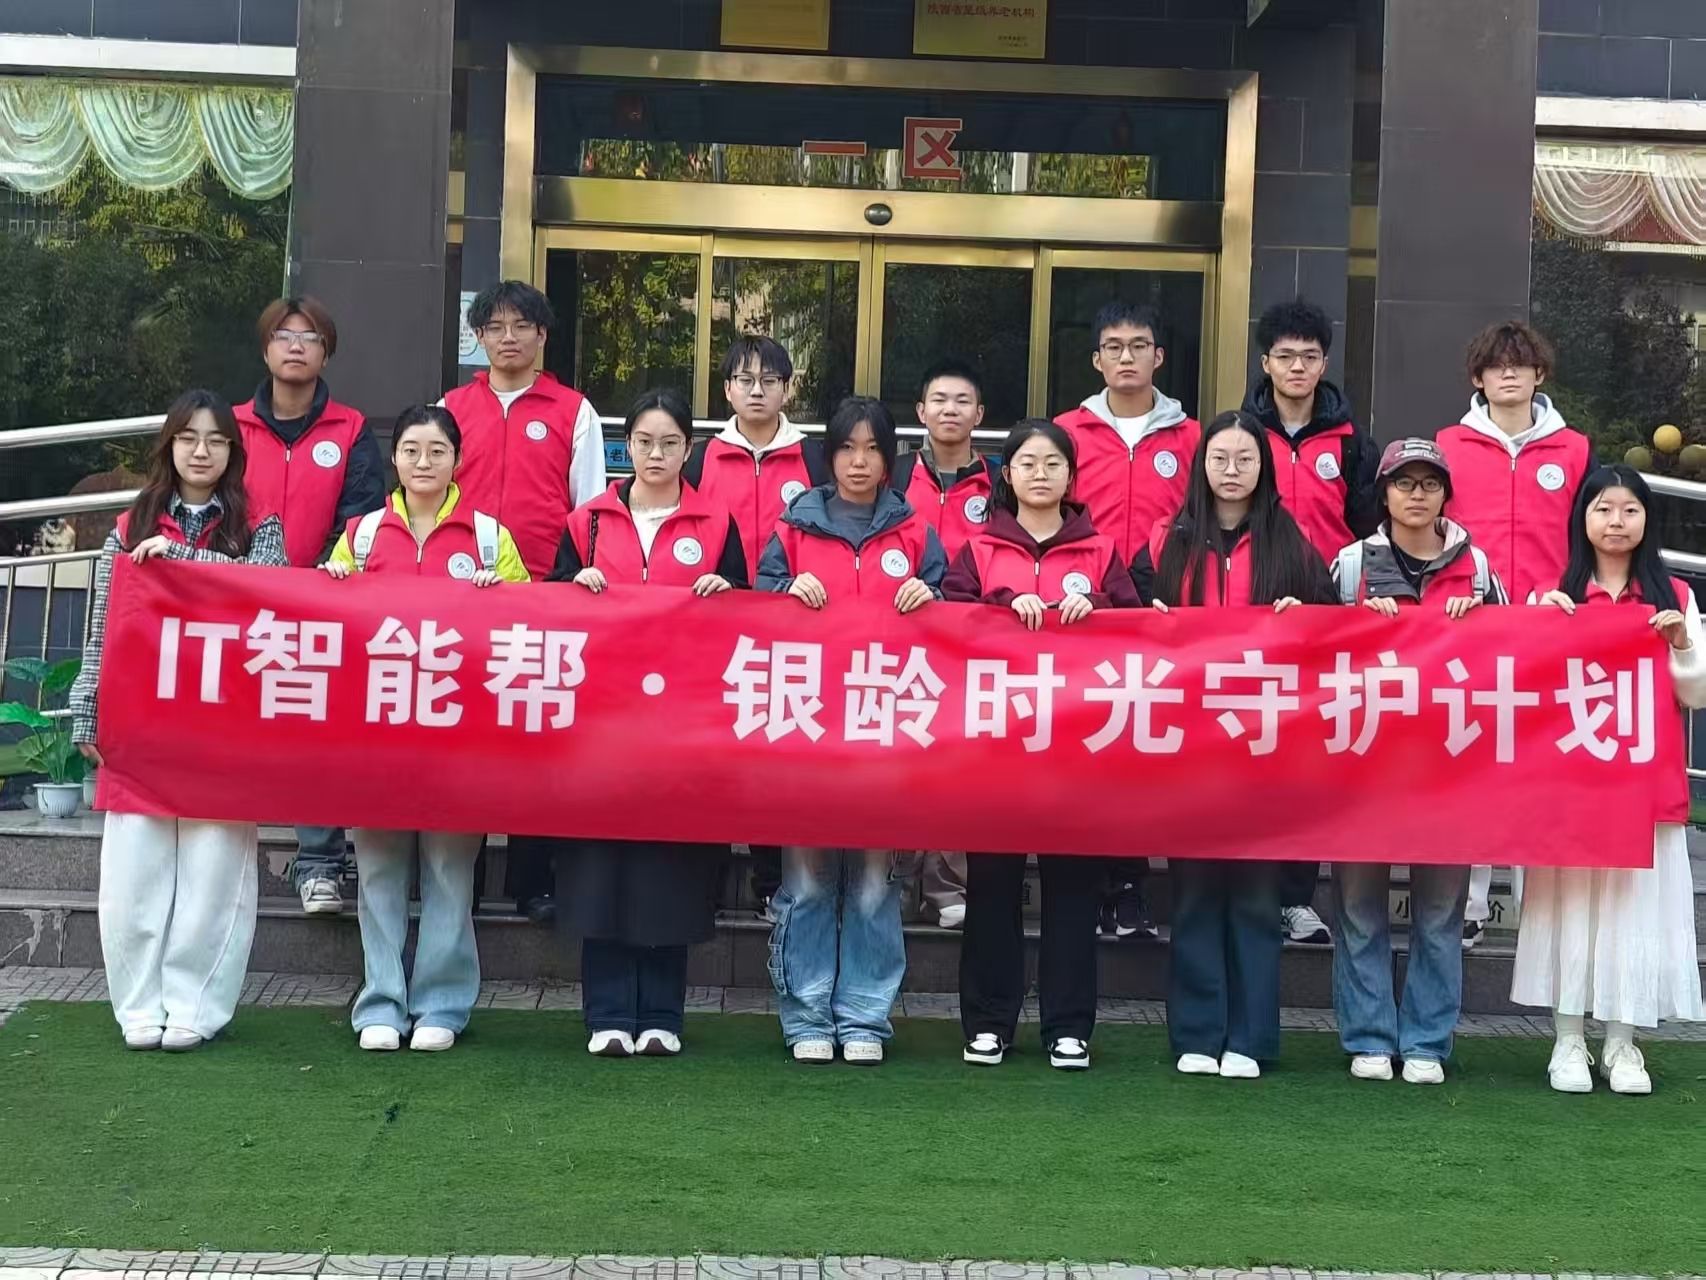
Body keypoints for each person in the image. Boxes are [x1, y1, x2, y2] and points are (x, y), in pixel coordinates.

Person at [69, 389, 288, 1051]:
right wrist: (87, 707)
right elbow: (103, 622)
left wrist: (186, 562)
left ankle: (196, 1007)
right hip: (142, 721)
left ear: (233, 452)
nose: (201, 451)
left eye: (216, 440)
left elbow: (269, 595)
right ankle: (139, 1007)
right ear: (168, 446)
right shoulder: (131, 523)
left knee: (216, 872)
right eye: (189, 438)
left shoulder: (259, 524)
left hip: (225, 722)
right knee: (133, 872)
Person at [1131, 409, 1337, 1079]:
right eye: (1219, 458)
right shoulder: (1166, 540)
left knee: (1254, 894)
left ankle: (1249, 1037)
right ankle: (1197, 1032)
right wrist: (1146, 618)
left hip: (1263, 747)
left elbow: (1334, 627)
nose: (1231, 470)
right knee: (1193, 890)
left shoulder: (1290, 542)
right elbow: (1121, 623)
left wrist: (1305, 618)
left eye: (1245, 459)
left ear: (1263, 469)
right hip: (1187, 747)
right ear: (1201, 465)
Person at [321, 405, 529, 1052]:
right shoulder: (360, 535)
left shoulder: (490, 538)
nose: (423, 462)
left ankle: (442, 1003)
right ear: (395, 458)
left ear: (457, 460)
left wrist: (503, 594)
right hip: (377, 735)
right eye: (411, 450)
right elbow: (328, 623)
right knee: (379, 872)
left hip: (460, 741)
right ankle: (381, 1003)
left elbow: (531, 627)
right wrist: (333, 582)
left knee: (449, 873)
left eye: (437, 451)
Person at [547, 390, 747, 1056]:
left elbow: (747, 620)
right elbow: (549, 611)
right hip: (602, 724)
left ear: (688, 449)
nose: (656, 454)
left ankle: (662, 1015)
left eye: (669, 443)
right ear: (625, 446)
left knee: (670, 869)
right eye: (643, 442)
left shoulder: (716, 523)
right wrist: (574, 588)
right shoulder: (587, 522)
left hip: (681, 726)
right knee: (602, 867)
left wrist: (727, 595)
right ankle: (607, 1014)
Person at [756, 396, 947, 1064]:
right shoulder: (793, 529)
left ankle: (865, 1016)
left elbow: (956, 619)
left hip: (885, 733)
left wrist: (932, 599)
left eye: (872, 449)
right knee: (808, 882)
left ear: (888, 457)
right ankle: (807, 1016)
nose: (859, 462)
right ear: (828, 455)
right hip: (805, 731)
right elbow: (753, 612)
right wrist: (784, 594)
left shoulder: (915, 532)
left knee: (873, 885)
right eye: (846, 448)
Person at [943, 420, 1139, 1070]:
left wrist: (1099, 610)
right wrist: (999, 604)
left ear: (1071, 477)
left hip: (1078, 752)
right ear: (1008, 474)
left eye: (1053, 464)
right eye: (1027, 463)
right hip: (995, 750)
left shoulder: (1101, 551)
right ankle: (988, 1023)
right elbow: (948, 624)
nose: (1040, 474)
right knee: (992, 889)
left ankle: (1068, 1026)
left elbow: (1140, 630)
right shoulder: (978, 549)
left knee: (1073, 891)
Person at [1325, 438, 1508, 1086]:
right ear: (1384, 493)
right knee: (1358, 909)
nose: (1417, 495)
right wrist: (1355, 620)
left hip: (1450, 772)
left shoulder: (1477, 567)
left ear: (1446, 495)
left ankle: (1428, 1040)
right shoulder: (1352, 563)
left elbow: (1516, 656)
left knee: (1439, 914)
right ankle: (1370, 1037)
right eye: (1404, 483)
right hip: (1363, 769)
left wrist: (1480, 619)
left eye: (1430, 483)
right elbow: (1311, 654)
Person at [1519, 465, 1704, 1094]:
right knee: (1570, 907)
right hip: (1571, 784)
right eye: (1603, 509)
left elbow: (1696, 693)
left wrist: (1682, 645)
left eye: (1629, 510)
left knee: (1636, 912)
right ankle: (1568, 1039)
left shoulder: (1675, 596)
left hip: (1642, 783)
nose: (1616, 522)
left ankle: (1623, 1045)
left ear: (1648, 519)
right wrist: (1541, 625)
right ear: (1582, 518)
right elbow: (1522, 684)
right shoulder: (1555, 592)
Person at [444, 279, 608, 924]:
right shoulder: (451, 407)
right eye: (495, 327)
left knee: (539, 741)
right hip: (464, 599)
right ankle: (460, 880)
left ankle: (534, 880)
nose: (508, 338)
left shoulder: (574, 410)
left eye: (521, 326)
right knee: (466, 740)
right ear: (478, 337)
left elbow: (591, 511)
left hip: (544, 596)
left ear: (542, 335)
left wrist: (579, 586)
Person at [1436, 321, 1593, 950]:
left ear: (1539, 374)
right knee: (1474, 760)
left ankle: (1535, 907)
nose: (1508, 374)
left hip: (1548, 626)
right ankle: (1472, 904)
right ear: (1478, 378)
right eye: (1496, 366)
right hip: (1471, 625)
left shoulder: (1574, 450)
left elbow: (1589, 534)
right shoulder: (1447, 444)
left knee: (1538, 765)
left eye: (1519, 364)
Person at [234, 296, 386, 918]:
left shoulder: (350, 429)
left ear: (327, 353)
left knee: (315, 731)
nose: (296, 346)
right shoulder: (232, 427)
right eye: (284, 335)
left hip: (323, 602)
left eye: (310, 337)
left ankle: (320, 865)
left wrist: (321, 577)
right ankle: (223, 861)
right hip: (239, 600)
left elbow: (362, 516)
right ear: (265, 348)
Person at [1056, 301, 1200, 942]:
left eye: (1139, 345)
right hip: (1082, 606)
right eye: (1113, 346)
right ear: (1096, 359)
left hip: (1160, 608)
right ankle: (1091, 885)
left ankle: (1132, 887)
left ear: (1158, 357)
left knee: (1141, 748)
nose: (1126, 357)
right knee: (1085, 747)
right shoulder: (1069, 432)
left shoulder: (1191, 437)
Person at [1243, 298, 1380, 947]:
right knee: (1250, 756)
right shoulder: (1243, 434)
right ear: (1265, 362)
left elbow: (1371, 527)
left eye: (1309, 356)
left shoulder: (1352, 441)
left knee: (1310, 760)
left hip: (1327, 619)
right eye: (1285, 356)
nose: (1297, 367)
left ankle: (1295, 898)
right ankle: (1248, 888)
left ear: (1324, 363)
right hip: (1252, 614)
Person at [684, 335, 829, 914]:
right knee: (711, 756)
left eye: (769, 381)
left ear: (787, 389)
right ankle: (709, 882)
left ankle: (771, 882)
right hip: (713, 627)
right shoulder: (700, 458)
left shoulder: (814, 459)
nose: (757, 391)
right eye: (745, 380)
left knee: (775, 754)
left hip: (790, 630)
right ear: (727, 390)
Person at [891, 358, 998, 931]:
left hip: (972, 641)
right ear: (921, 411)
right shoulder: (894, 475)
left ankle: (947, 882)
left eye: (961, 401)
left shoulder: (1001, 481)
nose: (949, 410)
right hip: (902, 638)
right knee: (904, 756)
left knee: (959, 761)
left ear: (979, 414)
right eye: (939, 400)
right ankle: (900, 877)